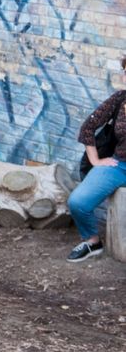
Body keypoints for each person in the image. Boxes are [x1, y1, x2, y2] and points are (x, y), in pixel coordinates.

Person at [66, 54, 126, 262]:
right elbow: (88, 128)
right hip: (120, 166)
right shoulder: (119, 99)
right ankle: (92, 241)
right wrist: (95, 161)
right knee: (77, 202)